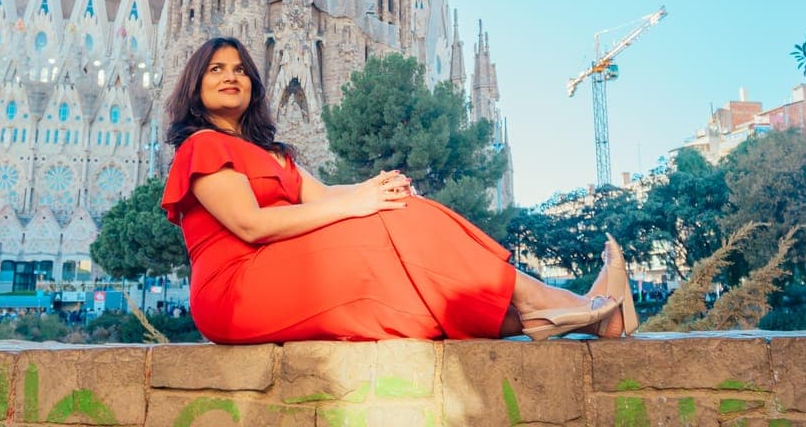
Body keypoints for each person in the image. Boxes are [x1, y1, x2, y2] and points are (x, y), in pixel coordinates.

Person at [161, 37, 639, 344]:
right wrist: (361, 203)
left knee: (406, 255)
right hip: (237, 290)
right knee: (390, 224)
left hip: (281, 269)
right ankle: (558, 303)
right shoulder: (202, 146)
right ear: (196, 86)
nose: (231, 76)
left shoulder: (273, 154)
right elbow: (252, 224)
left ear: (253, 86)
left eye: (240, 69)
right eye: (216, 69)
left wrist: (374, 187)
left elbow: (323, 196)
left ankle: (579, 316)